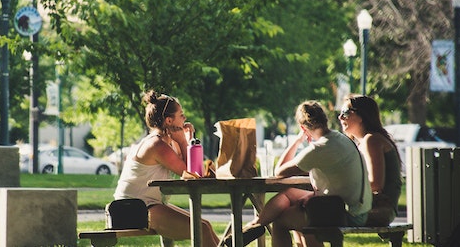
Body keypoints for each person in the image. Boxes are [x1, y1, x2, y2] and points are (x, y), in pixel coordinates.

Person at [224, 100, 371, 247]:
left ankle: (252, 228)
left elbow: (279, 171)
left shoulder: (319, 149)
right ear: (324, 119)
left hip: (346, 213)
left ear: (303, 127)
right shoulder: (340, 138)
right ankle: (254, 226)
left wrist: (297, 141)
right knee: (289, 194)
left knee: (280, 221)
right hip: (355, 207)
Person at [113, 90, 220, 246]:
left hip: (146, 205)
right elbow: (190, 173)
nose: (184, 118)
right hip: (131, 209)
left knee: (205, 226)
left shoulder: (167, 143)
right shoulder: (156, 145)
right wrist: (183, 141)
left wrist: (186, 140)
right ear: (169, 121)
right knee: (201, 229)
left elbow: (193, 171)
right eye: (181, 115)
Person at [339, 94, 403, 226]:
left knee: (317, 217)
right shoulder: (363, 142)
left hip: (381, 209)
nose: (340, 117)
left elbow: (376, 185)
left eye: (345, 112)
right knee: (306, 214)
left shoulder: (371, 140)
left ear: (362, 116)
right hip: (371, 206)